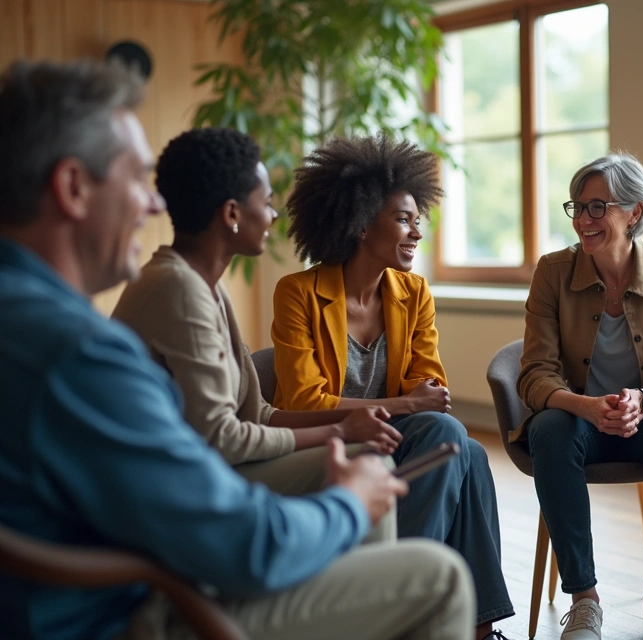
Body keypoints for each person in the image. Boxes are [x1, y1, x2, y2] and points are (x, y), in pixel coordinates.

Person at [0, 59, 472, 640]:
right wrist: (348, 503)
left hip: (128, 558)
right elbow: (243, 538)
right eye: (137, 178)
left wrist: (342, 441)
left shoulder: (31, 318)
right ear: (74, 187)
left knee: (397, 464)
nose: (155, 205)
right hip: (133, 606)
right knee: (441, 578)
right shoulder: (80, 354)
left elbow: (228, 438)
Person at [271, 133, 513, 639]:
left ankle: (468, 624)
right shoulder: (298, 293)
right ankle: (421, 611)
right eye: (404, 219)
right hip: (328, 441)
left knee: (463, 448)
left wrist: (415, 401)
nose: (417, 232)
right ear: (362, 224)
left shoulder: (413, 292)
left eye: (417, 220)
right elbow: (306, 402)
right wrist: (405, 402)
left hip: (397, 438)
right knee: (461, 446)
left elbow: (431, 386)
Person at [112, 128, 402, 542]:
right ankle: (369, 581)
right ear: (232, 214)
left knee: (367, 455)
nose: (273, 216)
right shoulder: (178, 290)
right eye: (265, 203)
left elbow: (258, 415)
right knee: (368, 463)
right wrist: (339, 432)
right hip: (176, 491)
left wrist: (348, 418)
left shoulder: (205, 287)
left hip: (208, 466)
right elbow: (221, 439)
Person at [517, 152, 643, 640]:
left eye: (597, 207)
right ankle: (584, 601)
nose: (583, 219)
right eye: (578, 207)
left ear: (634, 212)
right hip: (579, 425)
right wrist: (585, 407)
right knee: (550, 427)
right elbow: (535, 374)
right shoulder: (552, 272)